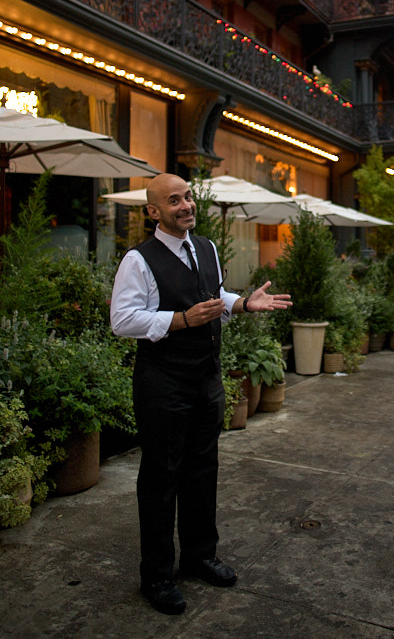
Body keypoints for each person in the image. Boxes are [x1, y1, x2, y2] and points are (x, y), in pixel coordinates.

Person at [110, 173, 292, 616]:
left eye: (188, 196)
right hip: (162, 384)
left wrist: (240, 304)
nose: (186, 205)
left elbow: (211, 295)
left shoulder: (206, 247)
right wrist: (180, 321)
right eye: (173, 201)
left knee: (202, 470)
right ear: (153, 211)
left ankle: (199, 555)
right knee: (160, 479)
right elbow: (122, 320)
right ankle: (156, 575)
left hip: (206, 379)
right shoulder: (139, 260)